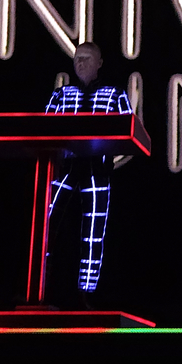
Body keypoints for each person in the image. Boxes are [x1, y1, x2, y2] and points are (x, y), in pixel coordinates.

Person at [43, 42, 132, 301]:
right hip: (64, 167)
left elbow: (129, 131)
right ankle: (39, 285)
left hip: (97, 168)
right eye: (77, 58)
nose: (80, 63)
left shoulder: (114, 95)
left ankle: (87, 293)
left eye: (86, 58)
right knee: (46, 225)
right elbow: (43, 129)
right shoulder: (61, 95)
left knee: (94, 233)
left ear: (99, 63)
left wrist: (108, 155)